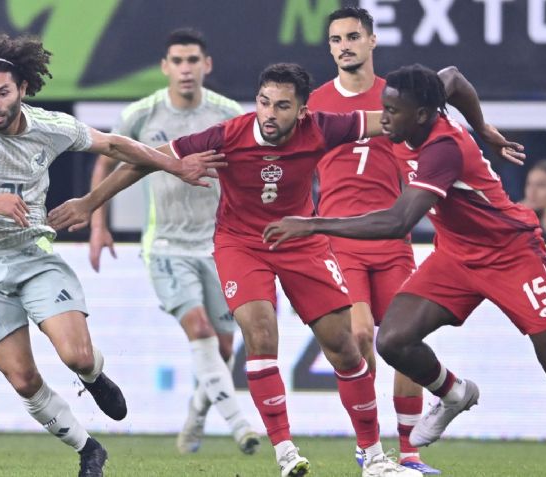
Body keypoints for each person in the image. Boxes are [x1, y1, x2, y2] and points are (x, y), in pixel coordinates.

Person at [48, 62, 510, 477]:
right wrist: (91, 202)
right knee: (261, 333)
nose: (270, 113)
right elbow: (141, 162)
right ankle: (286, 450)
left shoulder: (326, 127)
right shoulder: (228, 134)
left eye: (283, 106)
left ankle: (373, 457)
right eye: (264, 102)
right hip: (241, 245)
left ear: (304, 111)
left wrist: (463, 126)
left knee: (345, 348)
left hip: (300, 241)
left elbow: (394, 120)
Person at [263, 64, 546, 476]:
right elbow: (453, 77)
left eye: (392, 112)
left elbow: (398, 222)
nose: (382, 120)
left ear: (421, 114)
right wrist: (485, 127)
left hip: (512, 254)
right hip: (456, 253)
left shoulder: (443, 149)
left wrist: (312, 223)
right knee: (395, 341)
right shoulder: (419, 109)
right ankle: (453, 392)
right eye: (382, 109)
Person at [0, 24, 222, 477]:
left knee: (75, 355)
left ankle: (93, 377)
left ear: (22, 88)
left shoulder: (52, 128)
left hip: (33, 255)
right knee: (23, 379)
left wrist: (175, 166)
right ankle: (88, 449)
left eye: (1, 93)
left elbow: (116, 145)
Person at [308, 7, 494, 473]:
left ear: (372, 41)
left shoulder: (402, 98)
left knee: (403, 341)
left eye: (353, 36)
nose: (344, 45)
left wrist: (484, 130)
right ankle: (369, 449)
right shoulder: (314, 103)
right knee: (358, 334)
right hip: (341, 238)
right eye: (335, 39)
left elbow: (451, 99)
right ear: (329, 48)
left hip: (393, 237)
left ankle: (408, 454)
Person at [88, 28, 259, 455]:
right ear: (165, 67)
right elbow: (107, 158)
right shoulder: (142, 114)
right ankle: (241, 426)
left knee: (224, 346)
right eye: (178, 61)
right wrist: (97, 224)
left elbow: (251, 168)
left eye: (193, 60)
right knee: (198, 328)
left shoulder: (228, 113)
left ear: (207, 65)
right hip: (166, 244)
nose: (186, 69)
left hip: (220, 244)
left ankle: (196, 416)